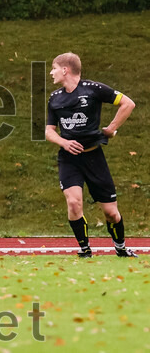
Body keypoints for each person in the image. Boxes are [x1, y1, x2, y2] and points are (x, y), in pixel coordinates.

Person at [45, 52, 137, 258]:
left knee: (111, 213)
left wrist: (111, 128)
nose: (51, 73)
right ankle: (85, 250)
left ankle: (121, 248)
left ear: (65, 70)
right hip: (69, 159)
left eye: (53, 68)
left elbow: (128, 104)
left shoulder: (94, 89)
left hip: (94, 157)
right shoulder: (55, 98)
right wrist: (64, 142)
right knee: (74, 203)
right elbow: (49, 130)